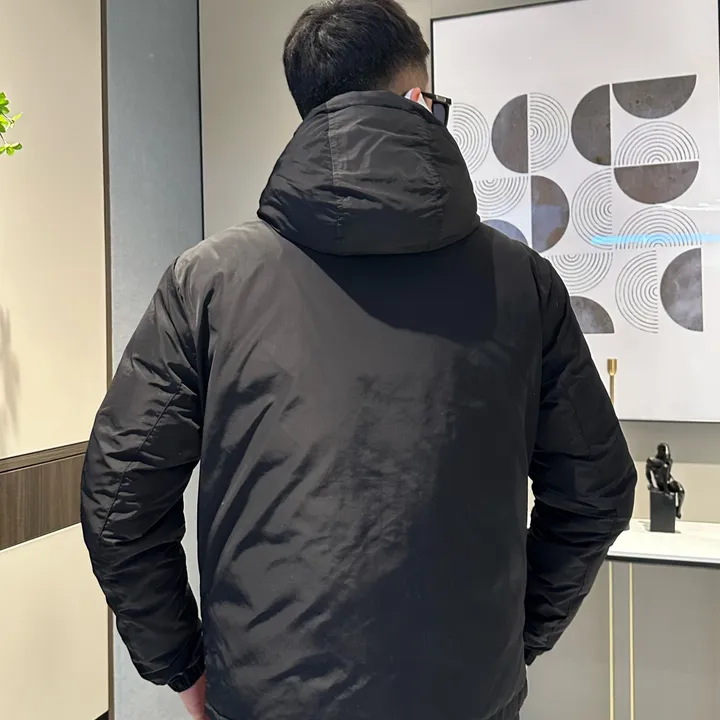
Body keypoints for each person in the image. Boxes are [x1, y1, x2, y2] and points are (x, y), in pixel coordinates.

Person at [81, 1, 637, 719]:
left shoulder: (210, 281)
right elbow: (597, 491)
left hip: (267, 700)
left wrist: (183, 665)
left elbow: (119, 499)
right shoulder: (523, 284)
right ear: (419, 100)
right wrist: (513, 638)